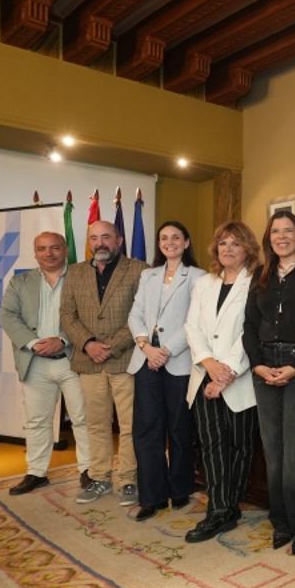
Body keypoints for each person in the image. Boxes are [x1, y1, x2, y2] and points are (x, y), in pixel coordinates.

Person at [244, 210, 295, 554]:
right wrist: (257, 365)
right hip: (264, 366)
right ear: (268, 238)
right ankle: (281, 522)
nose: (282, 237)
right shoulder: (260, 274)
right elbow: (249, 325)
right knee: (273, 451)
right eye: (276, 231)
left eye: (288, 231)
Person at [60, 220, 147, 507]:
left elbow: (143, 314)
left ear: (118, 240)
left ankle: (129, 479)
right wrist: (88, 344)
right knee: (95, 424)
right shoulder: (74, 272)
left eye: (106, 237)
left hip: (125, 359)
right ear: (89, 242)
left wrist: (110, 346)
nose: (100, 243)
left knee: (130, 425)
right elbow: (67, 315)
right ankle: (99, 477)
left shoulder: (139, 270)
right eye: (94, 238)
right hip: (89, 361)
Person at [184, 221, 260, 542]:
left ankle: (230, 505)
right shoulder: (204, 282)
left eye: (235, 243)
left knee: (241, 446)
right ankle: (218, 509)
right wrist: (210, 364)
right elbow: (191, 327)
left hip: (239, 379)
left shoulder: (256, 283)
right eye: (223, 243)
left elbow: (250, 332)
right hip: (204, 375)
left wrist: (226, 371)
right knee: (212, 445)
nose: (228, 249)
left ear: (248, 249)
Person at [0, 232, 91, 495]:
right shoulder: (20, 281)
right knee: (37, 421)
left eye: (54, 248)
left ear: (65, 250)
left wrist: (62, 340)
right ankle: (36, 473)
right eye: (42, 249)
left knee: (83, 419)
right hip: (34, 361)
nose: (48, 254)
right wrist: (32, 343)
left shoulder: (82, 278)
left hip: (73, 360)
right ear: (35, 252)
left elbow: (91, 316)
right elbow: (8, 315)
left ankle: (89, 470)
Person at [127, 221, 205, 521]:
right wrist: (146, 346)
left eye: (175, 237)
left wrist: (167, 350)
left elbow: (194, 321)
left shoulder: (198, 277)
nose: (169, 242)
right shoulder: (148, 276)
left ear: (186, 242)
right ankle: (152, 496)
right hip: (146, 359)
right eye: (164, 238)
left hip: (179, 361)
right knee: (147, 430)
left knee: (180, 429)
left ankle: (180, 489)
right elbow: (135, 314)